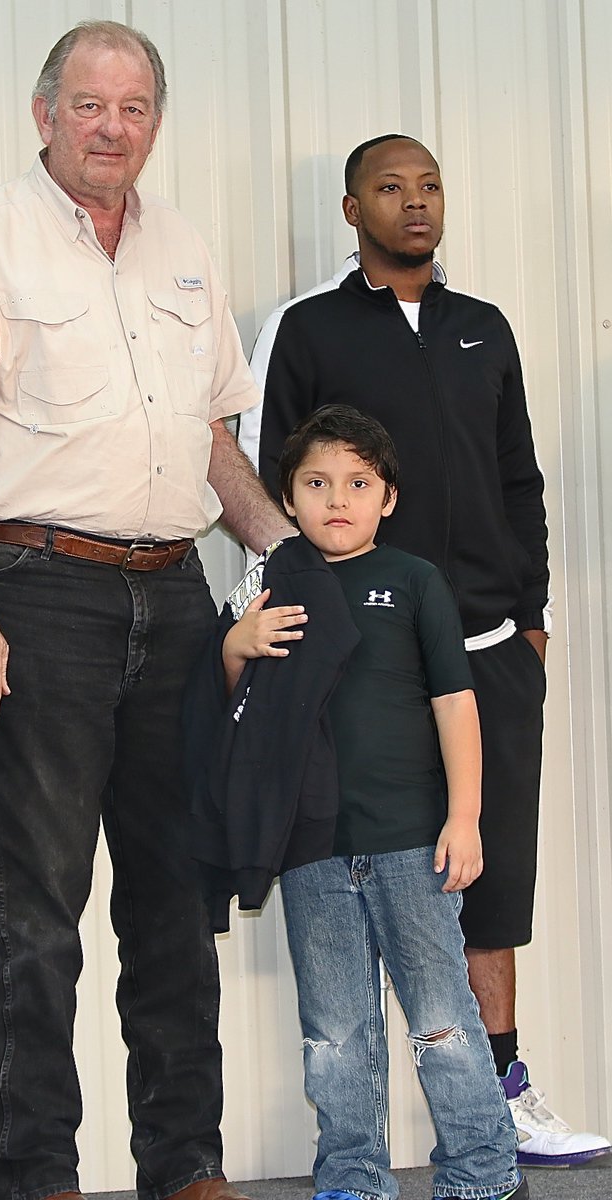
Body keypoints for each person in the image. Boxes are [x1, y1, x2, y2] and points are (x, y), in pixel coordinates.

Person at [0, 20, 292, 1200]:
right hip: (39, 593)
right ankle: (33, 1178)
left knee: (174, 908)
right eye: (88, 105)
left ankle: (186, 1169)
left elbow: (212, 440)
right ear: (43, 112)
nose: (111, 127)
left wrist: (281, 548)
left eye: (133, 108)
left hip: (176, 599)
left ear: (154, 121)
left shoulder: (182, 247)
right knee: (42, 916)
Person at [239, 133, 611, 1169]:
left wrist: (529, 617)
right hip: (369, 648)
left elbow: (520, 481)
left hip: (490, 644)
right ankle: (353, 1144)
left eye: (431, 185)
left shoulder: (482, 330)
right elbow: (275, 484)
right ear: (352, 208)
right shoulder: (307, 329)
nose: (416, 203)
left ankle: (503, 1099)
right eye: (391, 188)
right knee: (355, 872)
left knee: (485, 873)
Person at [195, 404, 526, 1200]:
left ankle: (483, 1171)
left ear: (388, 498)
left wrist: (466, 817)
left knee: (444, 1019)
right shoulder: (271, 582)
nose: (336, 498)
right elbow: (226, 703)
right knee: (335, 1034)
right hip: (311, 852)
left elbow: (456, 704)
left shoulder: (416, 583)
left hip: (416, 844)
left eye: (358, 482)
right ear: (287, 494)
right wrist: (235, 646)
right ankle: (352, 1176)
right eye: (316, 482)